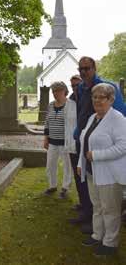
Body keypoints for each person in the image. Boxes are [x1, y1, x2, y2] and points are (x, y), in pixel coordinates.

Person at [69, 56, 126, 229]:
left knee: (100, 182)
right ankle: (87, 212)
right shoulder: (79, 88)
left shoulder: (107, 88)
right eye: (81, 69)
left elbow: (121, 114)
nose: (84, 72)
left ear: (94, 69)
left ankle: (100, 221)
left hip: (101, 144)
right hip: (81, 140)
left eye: (87, 68)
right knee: (82, 179)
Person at [78, 83, 126, 256]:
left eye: (101, 97)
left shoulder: (118, 119)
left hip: (110, 174)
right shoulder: (93, 118)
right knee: (97, 206)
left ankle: (110, 243)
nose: (97, 100)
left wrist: (97, 155)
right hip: (92, 172)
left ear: (111, 99)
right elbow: (85, 141)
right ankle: (98, 234)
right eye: (94, 97)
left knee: (110, 209)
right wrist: (80, 164)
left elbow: (123, 146)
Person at [43, 81, 76, 199]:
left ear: (64, 91)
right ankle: (52, 186)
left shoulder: (71, 105)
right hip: (52, 142)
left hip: (66, 142)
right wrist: (46, 138)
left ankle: (65, 188)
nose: (55, 93)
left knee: (67, 166)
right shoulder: (51, 105)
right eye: (53, 91)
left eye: (57, 91)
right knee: (50, 165)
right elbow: (47, 122)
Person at [69, 75, 83, 211]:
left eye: (77, 85)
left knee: (84, 175)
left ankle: (88, 206)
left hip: (84, 142)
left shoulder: (87, 98)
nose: (75, 88)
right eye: (72, 86)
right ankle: (82, 202)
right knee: (77, 174)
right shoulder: (71, 100)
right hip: (73, 142)